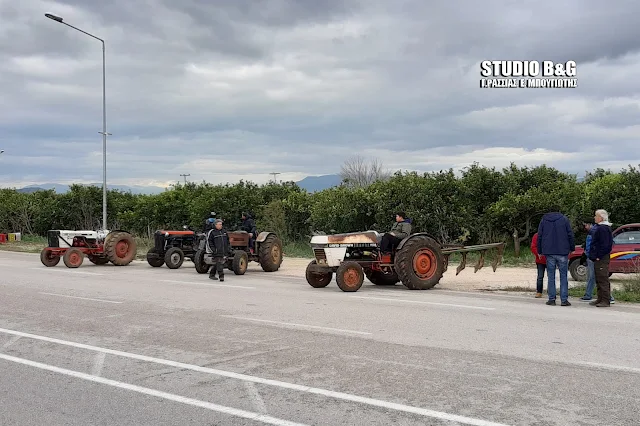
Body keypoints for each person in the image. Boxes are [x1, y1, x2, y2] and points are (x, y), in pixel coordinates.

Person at [537, 211, 575, 306]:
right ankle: (564, 300)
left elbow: (540, 236)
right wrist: (572, 248)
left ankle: (552, 299)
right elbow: (570, 234)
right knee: (563, 276)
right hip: (562, 251)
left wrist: (540, 250)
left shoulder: (544, 220)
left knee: (551, 276)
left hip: (549, 251)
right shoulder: (564, 219)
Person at [589, 209, 614, 307]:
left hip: (602, 257)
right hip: (598, 257)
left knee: (603, 278)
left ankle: (605, 300)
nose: (595, 217)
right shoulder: (600, 227)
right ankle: (600, 298)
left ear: (601, 218)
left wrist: (599, 255)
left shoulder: (603, 228)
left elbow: (605, 245)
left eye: (596, 216)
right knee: (598, 278)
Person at [530, 232, 546, 298]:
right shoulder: (536, 235)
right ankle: (539, 292)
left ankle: (551, 293)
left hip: (550, 259)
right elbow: (533, 247)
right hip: (540, 260)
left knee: (551, 277)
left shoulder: (551, 234)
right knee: (540, 277)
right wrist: (538, 253)